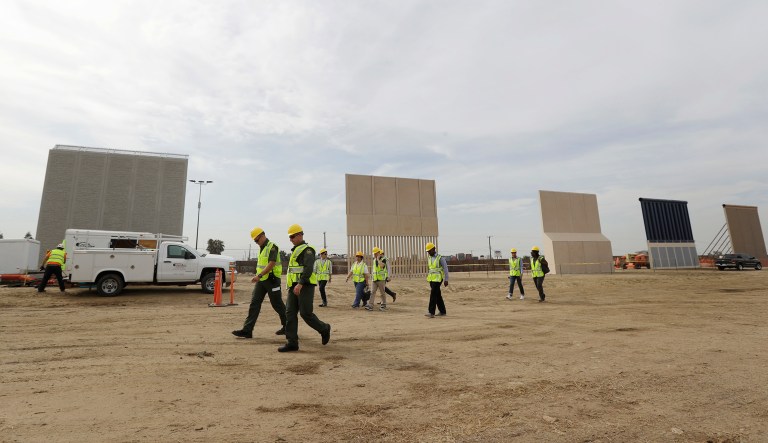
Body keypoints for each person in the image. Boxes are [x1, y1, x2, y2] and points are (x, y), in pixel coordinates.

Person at [279, 224, 331, 352]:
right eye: (289, 237)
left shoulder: (308, 250)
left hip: (305, 286)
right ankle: (292, 342)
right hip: (293, 286)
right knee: (290, 313)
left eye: (292, 236)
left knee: (305, 313)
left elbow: (308, 269)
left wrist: (301, 283)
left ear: (300, 235)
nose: (290, 239)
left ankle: (324, 328)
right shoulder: (295, 250)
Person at [232, 228, 287, 339]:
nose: (256, 243)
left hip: (272, 280)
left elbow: (271, 263)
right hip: (261, 281)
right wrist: (259, 276)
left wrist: (259, 275)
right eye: (255, 241)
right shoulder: (262, 248)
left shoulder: (272, 246)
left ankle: (289, 327)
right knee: (254, 303)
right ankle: (247, 330)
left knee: (277, 305)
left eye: (257, 240)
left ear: (262, 236)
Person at [424, 242, 449, 318]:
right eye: (427, 251)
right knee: (437, 295)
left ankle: (431, 312)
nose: (428, 252)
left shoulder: (440, 258)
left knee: (433, 294)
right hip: (431, 279)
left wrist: (446, 279)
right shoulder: (429, 258)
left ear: (434, 249)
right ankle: (442, 311)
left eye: (429, 251)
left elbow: (445, 269)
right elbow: (431, 269)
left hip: (438, 279)